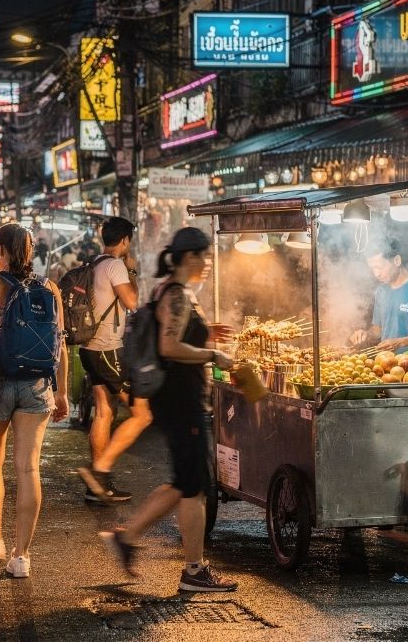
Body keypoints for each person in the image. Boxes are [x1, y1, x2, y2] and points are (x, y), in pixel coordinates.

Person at [99, 227, 238, 592]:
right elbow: (171, 346)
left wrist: (207, 331)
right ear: (189, 257)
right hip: (180, 401)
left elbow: (177, 335)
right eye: (204, 256)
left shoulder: (170, 292)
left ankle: (127, 537)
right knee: (192, 486)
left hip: (177, 399)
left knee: (184, 483)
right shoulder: (176, 295)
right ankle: (194, 570)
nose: (207, 263)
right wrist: (213, 353)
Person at [0, 224, 68, 578]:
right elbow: (60, 345)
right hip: (37, 385)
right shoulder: (50, 287)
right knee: (29, 469)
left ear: (0, 250)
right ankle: (22, 556)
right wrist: (63, 392)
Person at [74, 217, 143, 505]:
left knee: (104, 411)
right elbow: (132, 302)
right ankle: (100, 474)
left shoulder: (94, 263)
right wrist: (132, 270)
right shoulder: (115, 265)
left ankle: (98, 485)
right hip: (106, 348)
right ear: (125, 240)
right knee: (141, 412)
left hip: (89, 348)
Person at [350, 239, 408, 353]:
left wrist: (400, 342)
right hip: (386, 363)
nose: (376, 273)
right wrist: (366, 334)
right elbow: (378, 329)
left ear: (397, 260)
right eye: (372, 268)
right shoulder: (380, 291)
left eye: (380, 267)